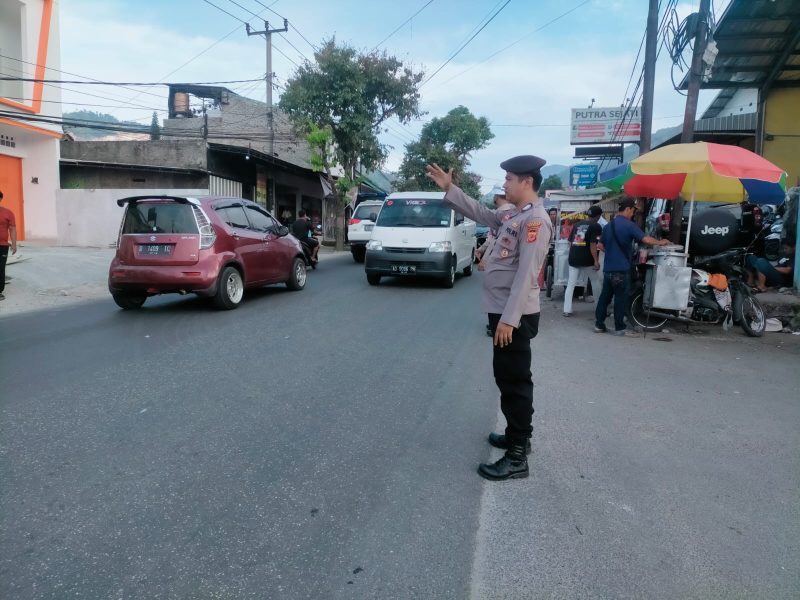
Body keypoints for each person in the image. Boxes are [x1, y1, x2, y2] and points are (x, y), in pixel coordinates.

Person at [427, 156, 553, 481]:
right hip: (504, 311)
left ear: (527, 181)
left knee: (515, 381)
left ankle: (518, 456)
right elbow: (482, 213)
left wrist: (509, 320)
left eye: (509, 179)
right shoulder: (514, 214)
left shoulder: (535, 221)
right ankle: (515, 436)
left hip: (515, 315)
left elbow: (526, 274)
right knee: (506, 377)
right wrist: (451, 188)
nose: (505, 185)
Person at [595, 198, 671, 336]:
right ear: (628, 209)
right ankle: (620, 328)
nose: (633, 213)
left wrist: (612, 252)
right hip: (621, 269)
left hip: (608, 269)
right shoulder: (629, 225)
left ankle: (599, 325)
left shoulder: (608, 226)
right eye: (633, 210)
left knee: (604, 298)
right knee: (620, 299)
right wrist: (661, 242)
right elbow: (646, 239)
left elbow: (600, 245)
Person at [476, 191, 515, 336]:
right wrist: (481, 250)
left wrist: (484, 257)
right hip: (505, 262)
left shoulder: (503, 214)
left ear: (497, 197)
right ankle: (496, 323)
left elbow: (493, 240)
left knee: (496, 295)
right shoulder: (511, 212)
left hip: (499, 261)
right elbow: (491, 239)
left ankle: (498, 325)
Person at [562, 205, 603, 316]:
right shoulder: (596, 226)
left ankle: (567, 310)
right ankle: (599, 308)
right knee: (595, 281)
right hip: (587, 259)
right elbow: (593, 244)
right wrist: (596, 261)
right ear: (598, 216)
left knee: (571, 284)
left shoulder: (577, 224)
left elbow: (570, 242)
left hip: (573, 258)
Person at [0, 190, 18, 301]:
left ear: (0, 199)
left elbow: (12, 229)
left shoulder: (8, 213)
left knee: (1, 268)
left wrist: (14, 244)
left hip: (2, 246)